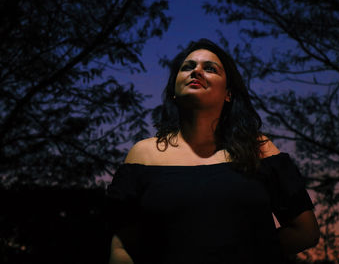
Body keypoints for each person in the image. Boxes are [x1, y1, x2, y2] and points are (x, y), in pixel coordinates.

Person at [106, 38, 320, 264]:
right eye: (187, 67)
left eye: (210, 68)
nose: (196, 71)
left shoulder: (258, 149)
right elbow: (122, 246)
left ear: (228, 93)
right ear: (174, 93)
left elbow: (305, 232)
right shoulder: (143, 155)